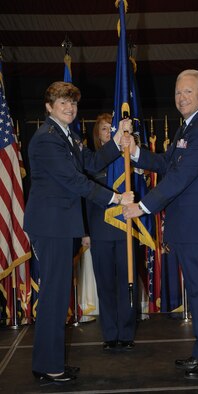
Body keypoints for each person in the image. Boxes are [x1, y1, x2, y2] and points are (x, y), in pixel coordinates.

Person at [123, 70, 198, 380]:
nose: (182, 97)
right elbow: (167, 164)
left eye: (188, 92)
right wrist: (136, 152)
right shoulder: (190, 126)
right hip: (189, 225)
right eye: (178, 92)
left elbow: (181, 178)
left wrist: (142, 207)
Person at [23, 82, 133, 383]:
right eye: (62, 103)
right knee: (54, 297)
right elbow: (74, 181)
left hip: (59, 224)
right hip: (51, 225)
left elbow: (93, 162)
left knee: (57, 296)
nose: (69, 108)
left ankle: (49, 362)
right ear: (49, 107)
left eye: (72, 103)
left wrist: (117, 139)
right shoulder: (48, 139)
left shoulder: (67, 135)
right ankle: (48, 366)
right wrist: (116, 198)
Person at [86, 113, 137, 352]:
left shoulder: (128, 160)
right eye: (104, 129)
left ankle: (126, 333)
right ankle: (109, 333)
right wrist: (85, 232)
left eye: (111, 128)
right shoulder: (91, 161)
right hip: (99, 231)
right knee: (105, 284)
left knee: (127, 283)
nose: (108, 133)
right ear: (98, 134)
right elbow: (84, 199)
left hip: (125, 230)